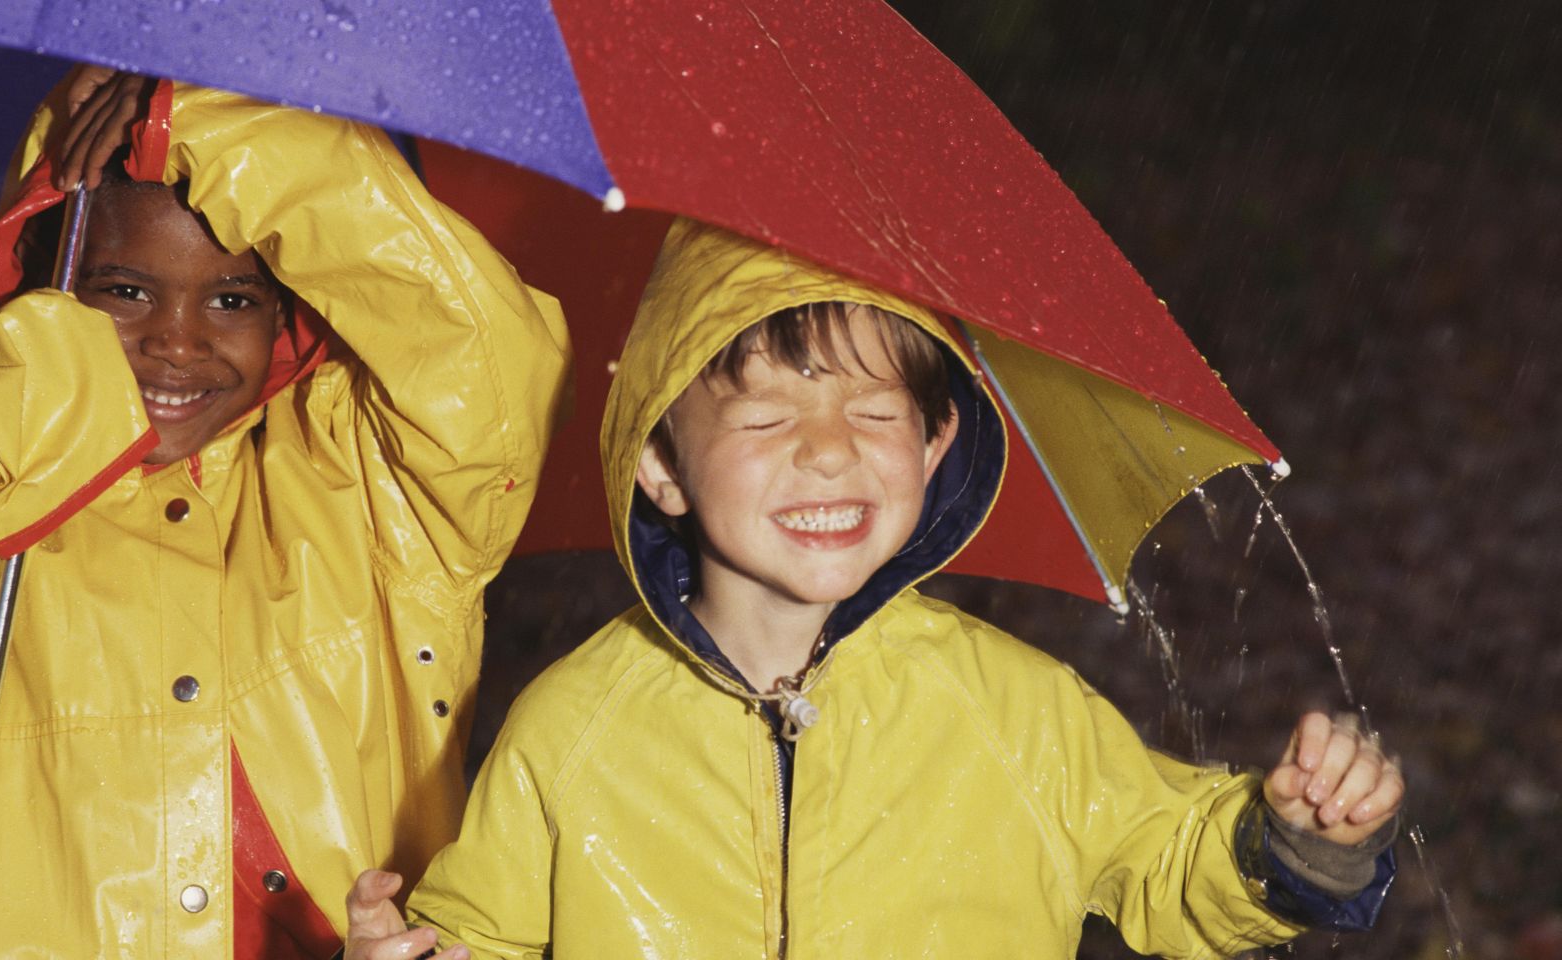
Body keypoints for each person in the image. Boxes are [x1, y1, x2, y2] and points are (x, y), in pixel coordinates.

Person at [344, 219, 1403, 960]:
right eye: (763, 419)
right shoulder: (571, 729)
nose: (828, 454)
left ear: (938, 443)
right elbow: (479, 932)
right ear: (658, 466)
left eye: (876, 413)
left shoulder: (1014, 710)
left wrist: (1300, 836)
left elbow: (1165, 863)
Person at [0, 69, 568, 956]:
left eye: (233, 299)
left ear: (291, 309)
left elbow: (484, 358)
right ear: (46, 289)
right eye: (123, 291)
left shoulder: (364, 482)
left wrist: (205, 125)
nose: (177, 341)